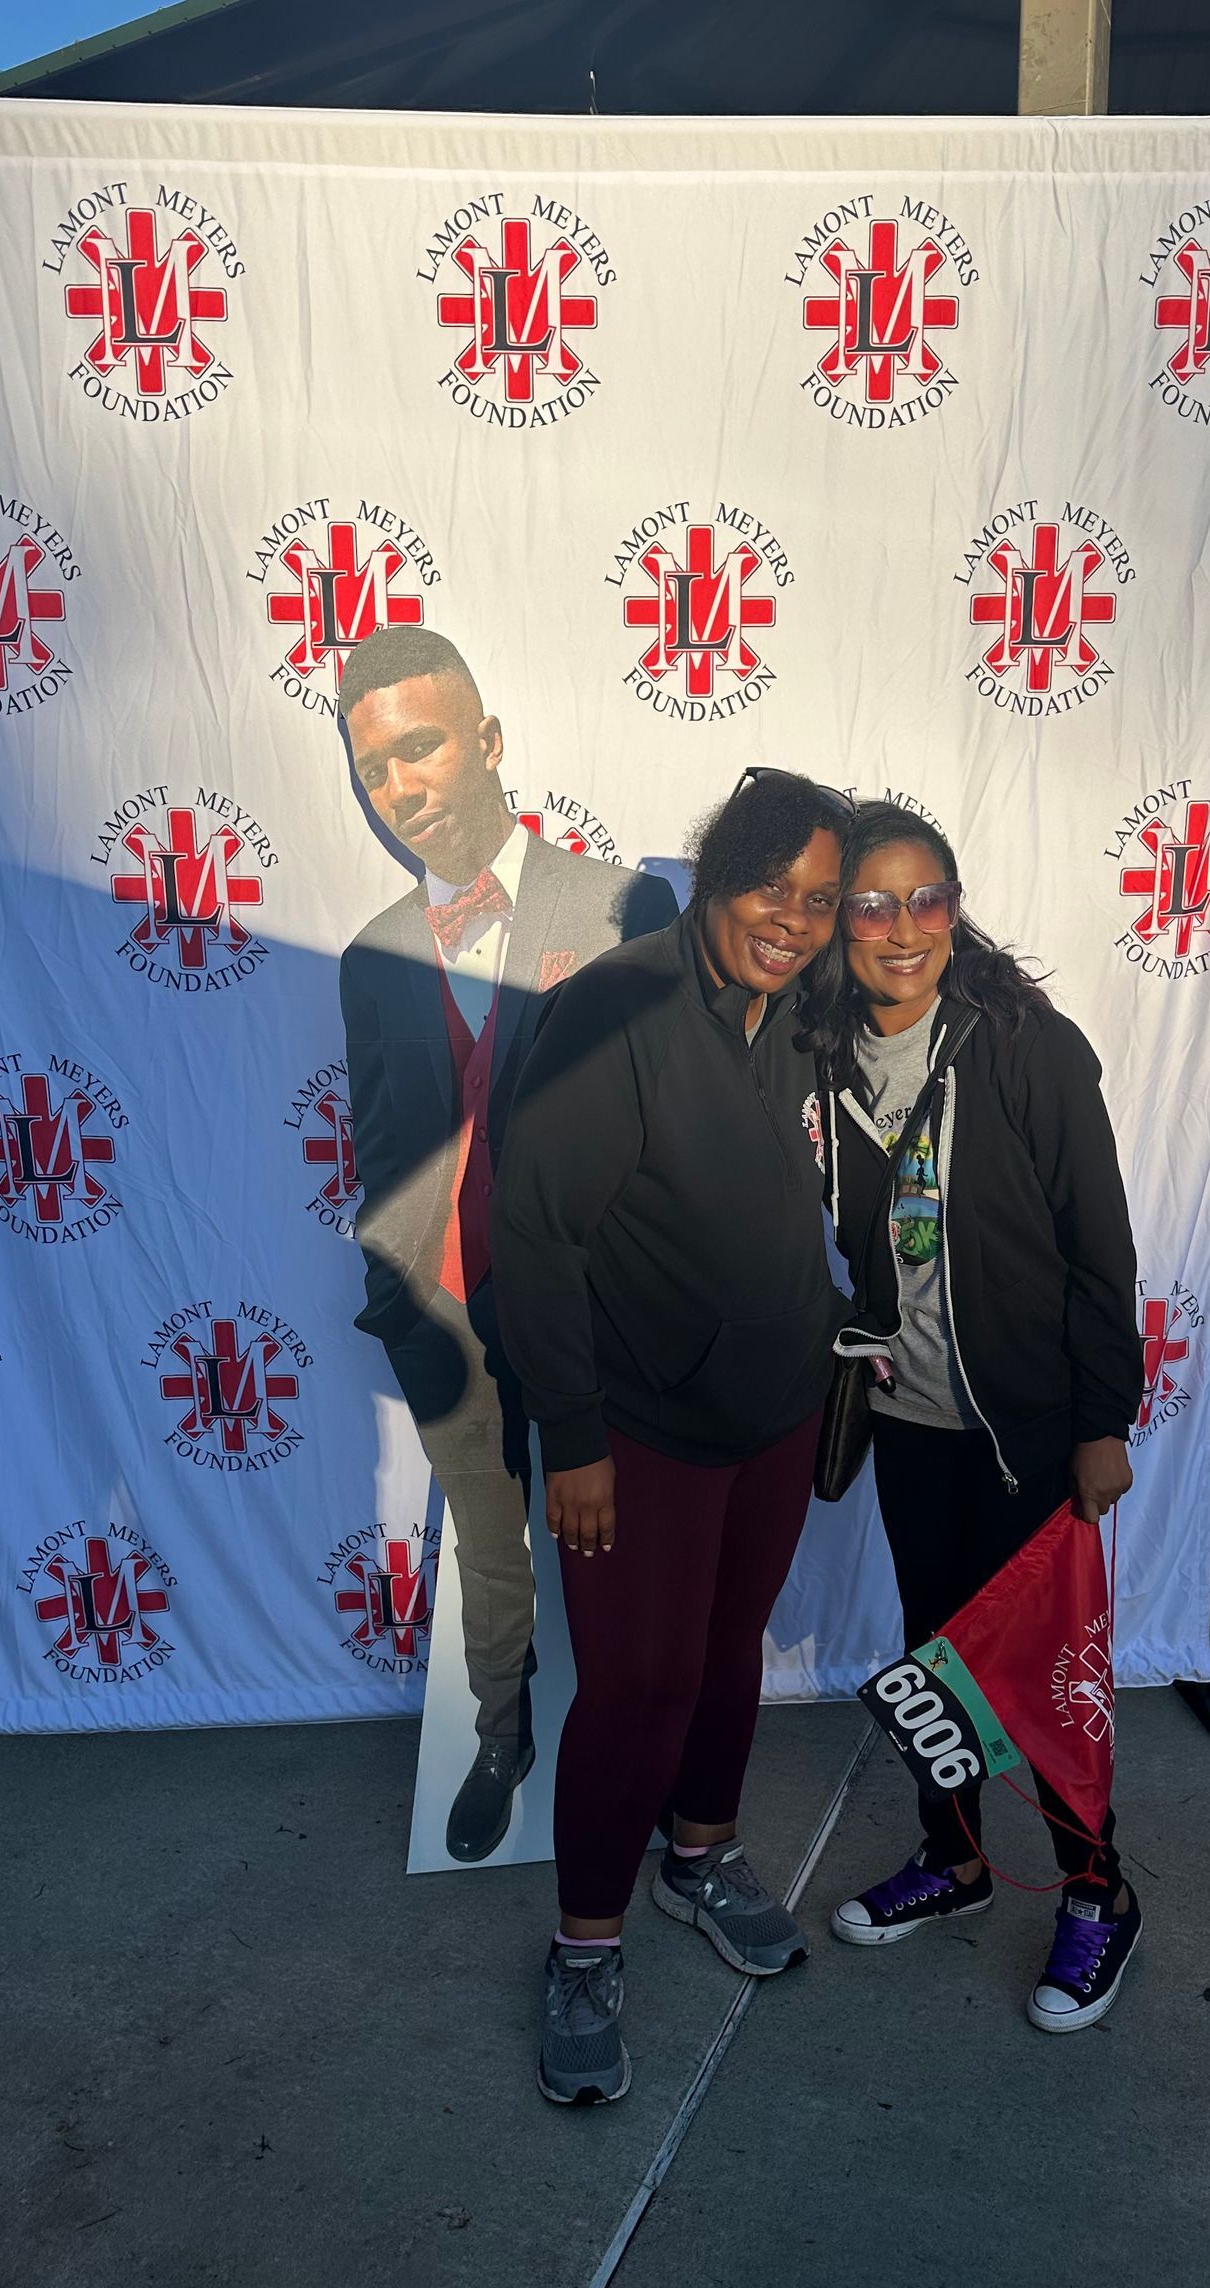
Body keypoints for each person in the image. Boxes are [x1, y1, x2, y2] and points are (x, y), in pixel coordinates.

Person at [490, 768, 847, 2104]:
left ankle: (700, 1856)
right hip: (635, 1431)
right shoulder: (618, 1005)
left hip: (770, 1415)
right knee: (636, 1688)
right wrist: (571, 1438)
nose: (793, 918)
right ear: (714, 873)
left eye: (818, 899)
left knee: (722, 1660)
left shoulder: (795, 1010)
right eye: (771, 886)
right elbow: (536, 1237)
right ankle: (585, 1950)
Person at [805, 802, 1146, 2033]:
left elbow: (1099, 1247)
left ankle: (1098, 1892)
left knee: (1047, 1680)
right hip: (910, 1426)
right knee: (935, 1661)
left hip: (1028, 1429)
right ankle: (951, 1862)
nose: (904, 930)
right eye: (874, 904)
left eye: (927, 900)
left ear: (958, 906)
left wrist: (1104, 1417)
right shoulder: (823, 1053)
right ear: (839, 919)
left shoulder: (1023, 1047)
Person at [337, 628, 675, 1863]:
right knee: (490, 1547)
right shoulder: (372, 955)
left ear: (487, 742)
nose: (401, 786)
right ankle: (501, 1735)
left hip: (596, 1313)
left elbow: (666, 1117)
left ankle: (644, 1743)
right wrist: (401, 1295)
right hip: (451, 1319)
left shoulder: (622, 905)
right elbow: (384, 1147)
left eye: (422, 746)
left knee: (625, 1541)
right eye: (372, 767)